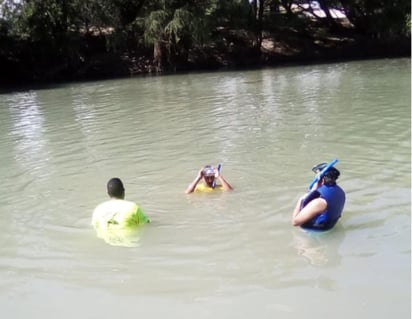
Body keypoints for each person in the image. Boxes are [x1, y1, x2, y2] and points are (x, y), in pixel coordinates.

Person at [292, 162, 345, 231]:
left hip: (315, 233)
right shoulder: (340, 192)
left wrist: (301, 199)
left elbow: (295, 222)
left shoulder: (319, 202)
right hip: (330, 227)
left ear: (322, 180)